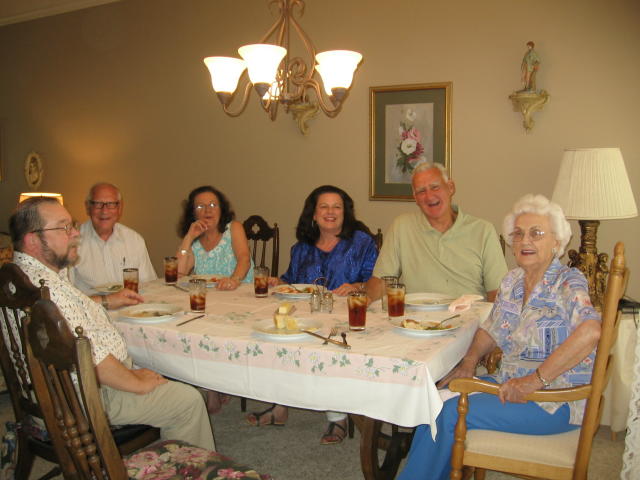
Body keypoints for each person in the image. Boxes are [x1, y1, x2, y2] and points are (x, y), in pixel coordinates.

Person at [397, 194, 601, 480]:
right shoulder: (514, 281)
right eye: (518, 234)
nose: (524, 241)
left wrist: (535, 380)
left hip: (554, 400)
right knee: (433, 404)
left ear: (557, 242)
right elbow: (493, 328)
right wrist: (469, 362)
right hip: (509, 384)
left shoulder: (568, 282)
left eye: (536, 233)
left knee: (449, 413)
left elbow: (591, 331)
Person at [9, 197, 215, 450]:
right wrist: (135, 380)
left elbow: (70, 312)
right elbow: (89, 356)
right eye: (64, 227)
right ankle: (185, 468)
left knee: (156, 370)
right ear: (32, 239)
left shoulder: (22, 277)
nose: (75, 233)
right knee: (187, 400)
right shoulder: (48, 291)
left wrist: (105, 300)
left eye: (72, 225)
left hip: (49, 392)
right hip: (87, 396)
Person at [248, 185, 378, 444]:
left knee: (327, 348)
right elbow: (292, 281)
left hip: (345, 319)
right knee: (277, 336)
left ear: (345, 213)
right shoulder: (301, 248)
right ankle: (279, 406)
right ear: (314, 214)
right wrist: (278, 282)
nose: (331, 212)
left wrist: (357, 286)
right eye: (324, 207)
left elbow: (377, 281)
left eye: (337, 207)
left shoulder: (362, 243)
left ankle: (337, 418)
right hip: (307, 317)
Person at [366, 161, 507, 303]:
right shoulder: (402, 226)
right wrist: (363, 297)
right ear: (415, 198)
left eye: (435, 187)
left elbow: (498, 293)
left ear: (450, 188)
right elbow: (381, 281)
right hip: (416, 321)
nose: (429, 196)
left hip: (468, 319)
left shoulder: (483, 231)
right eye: (421, 191)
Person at [70, 183, 157, 294]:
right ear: (88, 207)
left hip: (132, 309)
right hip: (91, 309)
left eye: (111, 204)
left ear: (119, 208)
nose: (104, 211)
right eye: (98, 204)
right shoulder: (72, 243)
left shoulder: (134, 240)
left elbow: (149, 285)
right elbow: (68, 295)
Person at [176, 185, 253, 291]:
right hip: (211, 297)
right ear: (193, 213)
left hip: (241, 292)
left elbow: (244, 259)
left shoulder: (234, 228)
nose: (208, 210)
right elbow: (179, 274)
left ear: (221, 210)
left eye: (213, 205)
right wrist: (188, 238)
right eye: (200, 206)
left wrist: (234, 280)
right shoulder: (194, 241)